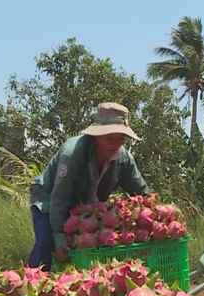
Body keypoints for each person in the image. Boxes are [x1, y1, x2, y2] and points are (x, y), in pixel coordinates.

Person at [27, 102, 150, 271]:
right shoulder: (73, 153)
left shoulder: (124, 159)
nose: (115, 145)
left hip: (84, 207)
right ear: (97, 136)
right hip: (48, 199)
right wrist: (58, 235)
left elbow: (141, 191)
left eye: (120, 139)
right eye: (109, 138)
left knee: (95, 249)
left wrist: (152, 213)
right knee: (46, 244)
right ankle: (33, 280)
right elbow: (59, 198)